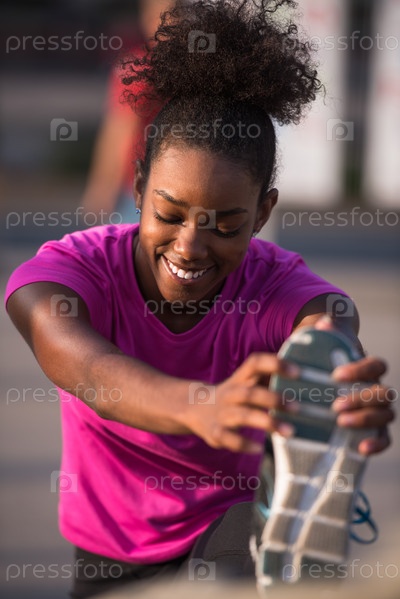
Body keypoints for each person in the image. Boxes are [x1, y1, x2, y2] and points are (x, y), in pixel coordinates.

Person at [5, 1, 394, 598]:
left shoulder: (277, 288)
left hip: (227, 529)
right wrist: (199, 406)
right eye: (169, 214)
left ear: (262, 213)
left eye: (226, 224)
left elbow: (324, 328)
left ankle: (278, 538)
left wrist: (338, 391)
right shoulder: (74, 271)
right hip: (109, 548)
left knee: (238, 556)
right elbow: (86, 367)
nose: (190, 245)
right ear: (139, 188)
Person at [80, 0, 172, 223]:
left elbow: (117, 129)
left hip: (166, 184)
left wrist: (101, 187)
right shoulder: (138, 69)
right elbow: (119, 129)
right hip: (139, 185)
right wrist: (102, 185)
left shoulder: (139, 67)